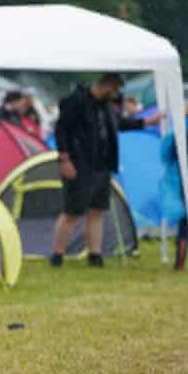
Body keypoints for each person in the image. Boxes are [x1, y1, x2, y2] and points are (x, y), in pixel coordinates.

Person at [50, 73, 163, 267]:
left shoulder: (105, 107)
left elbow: (120, 124)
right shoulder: (76, 102)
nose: (116, 94)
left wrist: (147, 122)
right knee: (72, 211)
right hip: (79, 165)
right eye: (115, 89)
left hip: (102, 166)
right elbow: (61, 131)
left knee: (97, 211)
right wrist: (64, 159)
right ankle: (58, 254)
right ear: (107, 85)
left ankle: (95, 254)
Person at [159, 97, 188, 270]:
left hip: (184, 178)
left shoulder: (177, 131)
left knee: (185, 219)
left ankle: (180, 262)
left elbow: (165, 156)